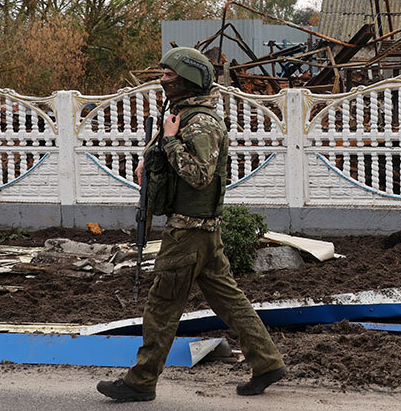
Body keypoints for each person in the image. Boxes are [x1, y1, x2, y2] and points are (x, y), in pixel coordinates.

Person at [97, 46, 286, 402]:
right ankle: (267, 362)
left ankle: (140, 382)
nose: (163, 80)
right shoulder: (182, 115)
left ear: (188, 79)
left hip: (189, 230)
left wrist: (169, 142)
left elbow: (200, 175)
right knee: (230, 301)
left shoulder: (200, 122)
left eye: (169, 75)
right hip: (201, 230)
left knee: (162, 306)